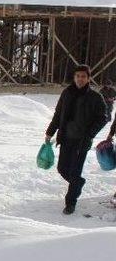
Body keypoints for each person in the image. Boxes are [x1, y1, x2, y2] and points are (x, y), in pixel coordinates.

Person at [46, 64, 108, 214]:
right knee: (62, 169)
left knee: (74, 171)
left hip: (82, 141)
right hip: (66, 138)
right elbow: (58, 114)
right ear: (74, 77)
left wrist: (90, 134)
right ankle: (79, 183)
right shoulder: (67, 93)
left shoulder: (95, 97)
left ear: (88, 78)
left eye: (83, 76)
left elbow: (104, 117)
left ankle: (70, 203)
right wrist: (50, 132)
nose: (80, 79)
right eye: (78, 76)